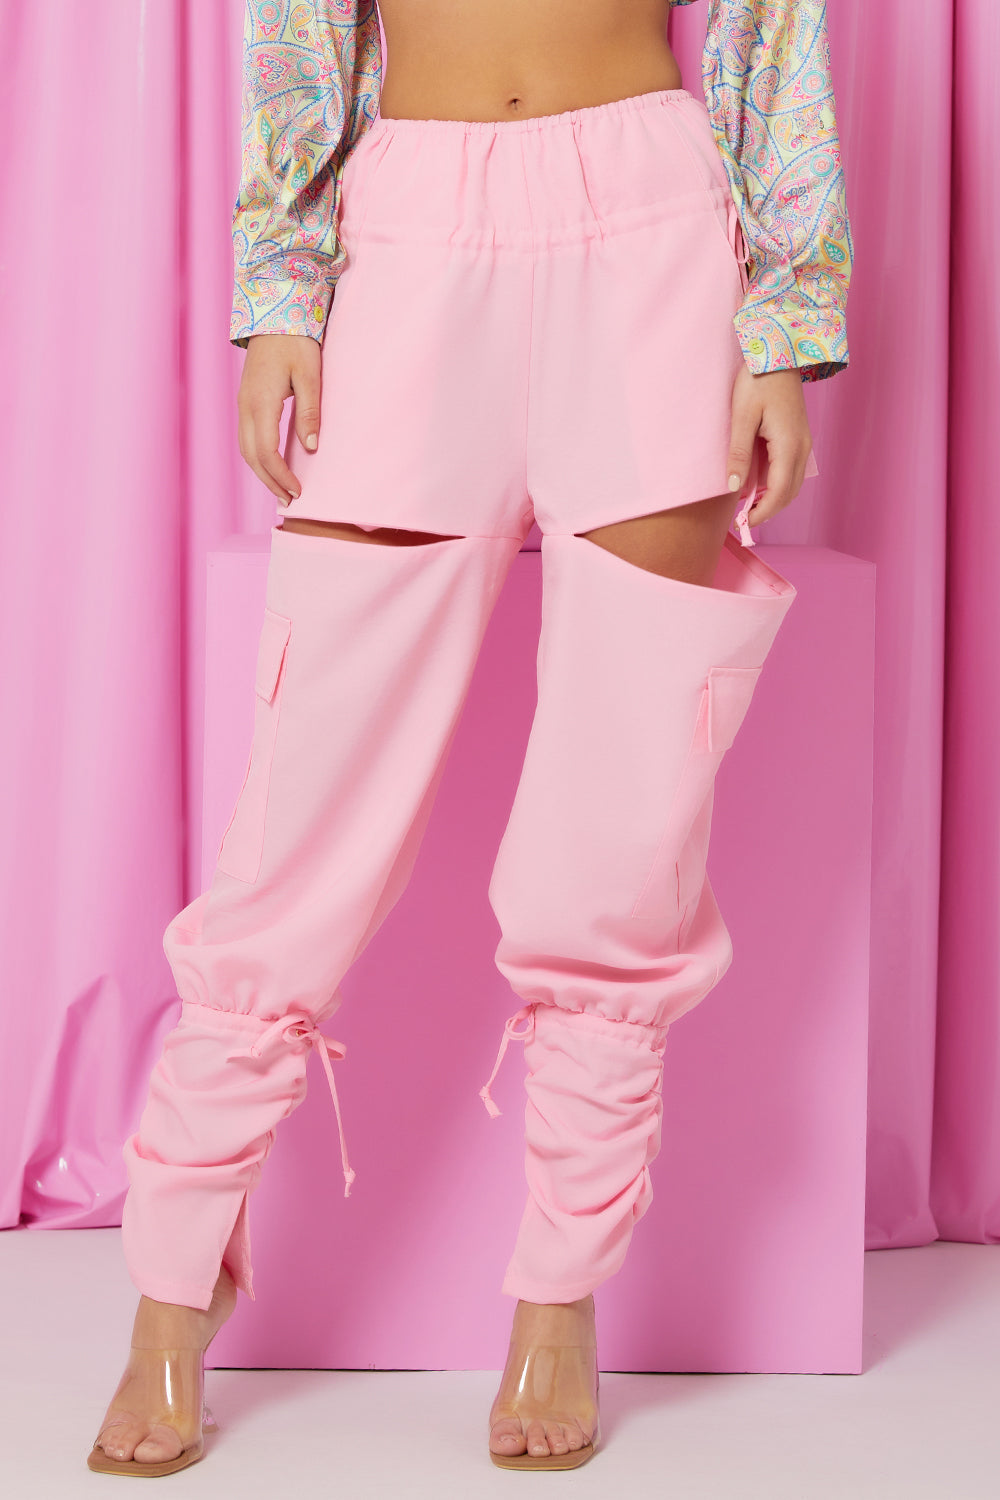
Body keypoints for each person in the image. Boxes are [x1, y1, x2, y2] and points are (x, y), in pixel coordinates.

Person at [88, 0, 852, 1477]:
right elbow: (303, 35)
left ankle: (559, 1289)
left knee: (623, 815)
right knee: (304, 817)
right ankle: (175, 1278)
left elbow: (772, 32)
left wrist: (783, 324)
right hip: (413, 236)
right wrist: (285, 296)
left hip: (651, 236)